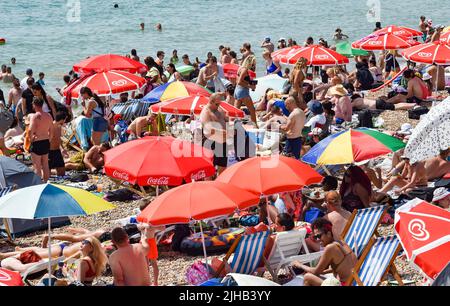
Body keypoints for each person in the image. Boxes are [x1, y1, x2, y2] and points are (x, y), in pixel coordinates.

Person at [293, 218, 357, 286]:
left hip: (347, 284)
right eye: (315, 237)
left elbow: (316, 272)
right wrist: (324, 272)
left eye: (319, 236)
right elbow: (343, 267)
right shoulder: (342, 243)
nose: (317, 239)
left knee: (307, 277)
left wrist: (299, 265)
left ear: (329, 234)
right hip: (356, 282)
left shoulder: (330, 248)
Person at [200, 92, 229, 175]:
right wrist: (224, 132)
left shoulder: (219, 109)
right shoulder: (206, 112)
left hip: (222, 142)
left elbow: (226, 119)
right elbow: (208, 129)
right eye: (217, 104)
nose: (218, 105)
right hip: (211, 143)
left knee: (222, 169)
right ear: (211, 102)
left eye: (219, 103)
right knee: (209, 171)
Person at [29, 97, 53, 182]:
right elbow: (51, 131)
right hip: (46, 141)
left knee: (37, 166)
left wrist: (31, 138)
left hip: (37, 142)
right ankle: (45, 182)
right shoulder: (49, 115)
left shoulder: (35, 116)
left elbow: (30, 130)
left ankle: (38, 184)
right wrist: (48, 139)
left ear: (34, 105)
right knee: (45, 164)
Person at [234, 56, 257, 126]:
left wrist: (249, 83)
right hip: (243, 92)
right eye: (253, 64)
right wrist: (250, 86)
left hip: (237, 90)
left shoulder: (240, 68)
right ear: (249, 63)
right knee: (252, 110)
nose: (253, 65)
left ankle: (232, 125)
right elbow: (239, 82)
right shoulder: (244, 70)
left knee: (235, 111)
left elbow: (237, 80)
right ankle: (255, 126)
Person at [48, 112, 67, 177]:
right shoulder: (50, 126)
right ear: (61, 119)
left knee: (62, 173)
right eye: (64, 119)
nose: (65, 121)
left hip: (57, 151)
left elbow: (58, 139)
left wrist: (62, 149)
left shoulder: (59, 127)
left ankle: (53, 172)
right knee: (47, 175)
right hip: (49, 151)